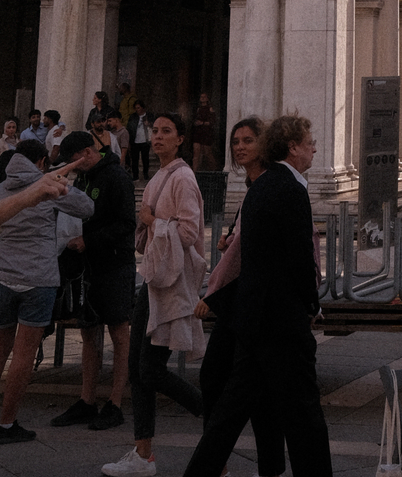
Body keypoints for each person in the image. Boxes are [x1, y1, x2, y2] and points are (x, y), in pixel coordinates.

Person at [179, 114, 330, 477]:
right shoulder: (290, 189)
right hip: (281, 324)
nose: (314, 149)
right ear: (293, 148)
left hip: (253, 321)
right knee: (305, 417)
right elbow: (299, 259)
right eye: (309, 142)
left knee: (229, 417)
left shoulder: (262, 186)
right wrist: (311, 304)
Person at [101, 113, 204, 477]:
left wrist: (150, 222)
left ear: (180, 139)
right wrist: (150, 223)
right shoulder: (159, 176)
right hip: (155, 281)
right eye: (155, 131)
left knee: (150, 369)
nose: (158, 137)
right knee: (137, 368)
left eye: (166, 132)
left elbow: (189, 233)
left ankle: (214, 413)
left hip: (173, 284)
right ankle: (143, 453)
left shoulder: (183, 179)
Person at [0, 140, 94, 443]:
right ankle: (7, 424)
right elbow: (87, 208)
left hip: (3, 274)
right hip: (38, 277)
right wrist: (64, 186)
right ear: (43, 162)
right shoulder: (47, 188)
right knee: (23, 355)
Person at [193, 118, 283, 477]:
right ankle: (265, 466)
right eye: (235, 141)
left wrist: (212, 292)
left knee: (217, 379)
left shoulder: (269, 184)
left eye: (248, 140)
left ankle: (216, 463)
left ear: (265, 144)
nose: (240, 147)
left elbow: (249, 248)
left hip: (247, 301)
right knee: (251, 391)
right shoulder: (254, 185)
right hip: (246, 300)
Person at [46, 131, 135, 431]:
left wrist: (90, 240)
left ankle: (115, 402)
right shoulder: (82, 179)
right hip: (86, 270)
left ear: (87, 152)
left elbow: (126, 225)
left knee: (119, 332)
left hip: (114, 264)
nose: (71, 168)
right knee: (88, 332)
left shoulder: (116, 177)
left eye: (72, 162)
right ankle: (86, 400)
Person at [191, 95, 215, 171]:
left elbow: (212, 122)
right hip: (198, 132)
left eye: (204, 97)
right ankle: (194, 173)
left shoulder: (210, 109)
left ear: (207, 98)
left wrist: (202, 123)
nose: (202, 98)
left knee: (207, 153)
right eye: (201, 97)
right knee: (196, 154)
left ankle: (214, 172)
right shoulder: (198, 109)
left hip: (206, 133)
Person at [128, 101, 151, 180]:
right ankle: (135, 175)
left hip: (145, 140)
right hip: (135, 140)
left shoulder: (149, 116)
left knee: (145, 158)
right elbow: (129, 128)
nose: (137, 110)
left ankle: (145, 173)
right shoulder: (133, 117)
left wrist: (149, 124)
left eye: (138, 108)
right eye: (136, 108)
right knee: (135, 159)